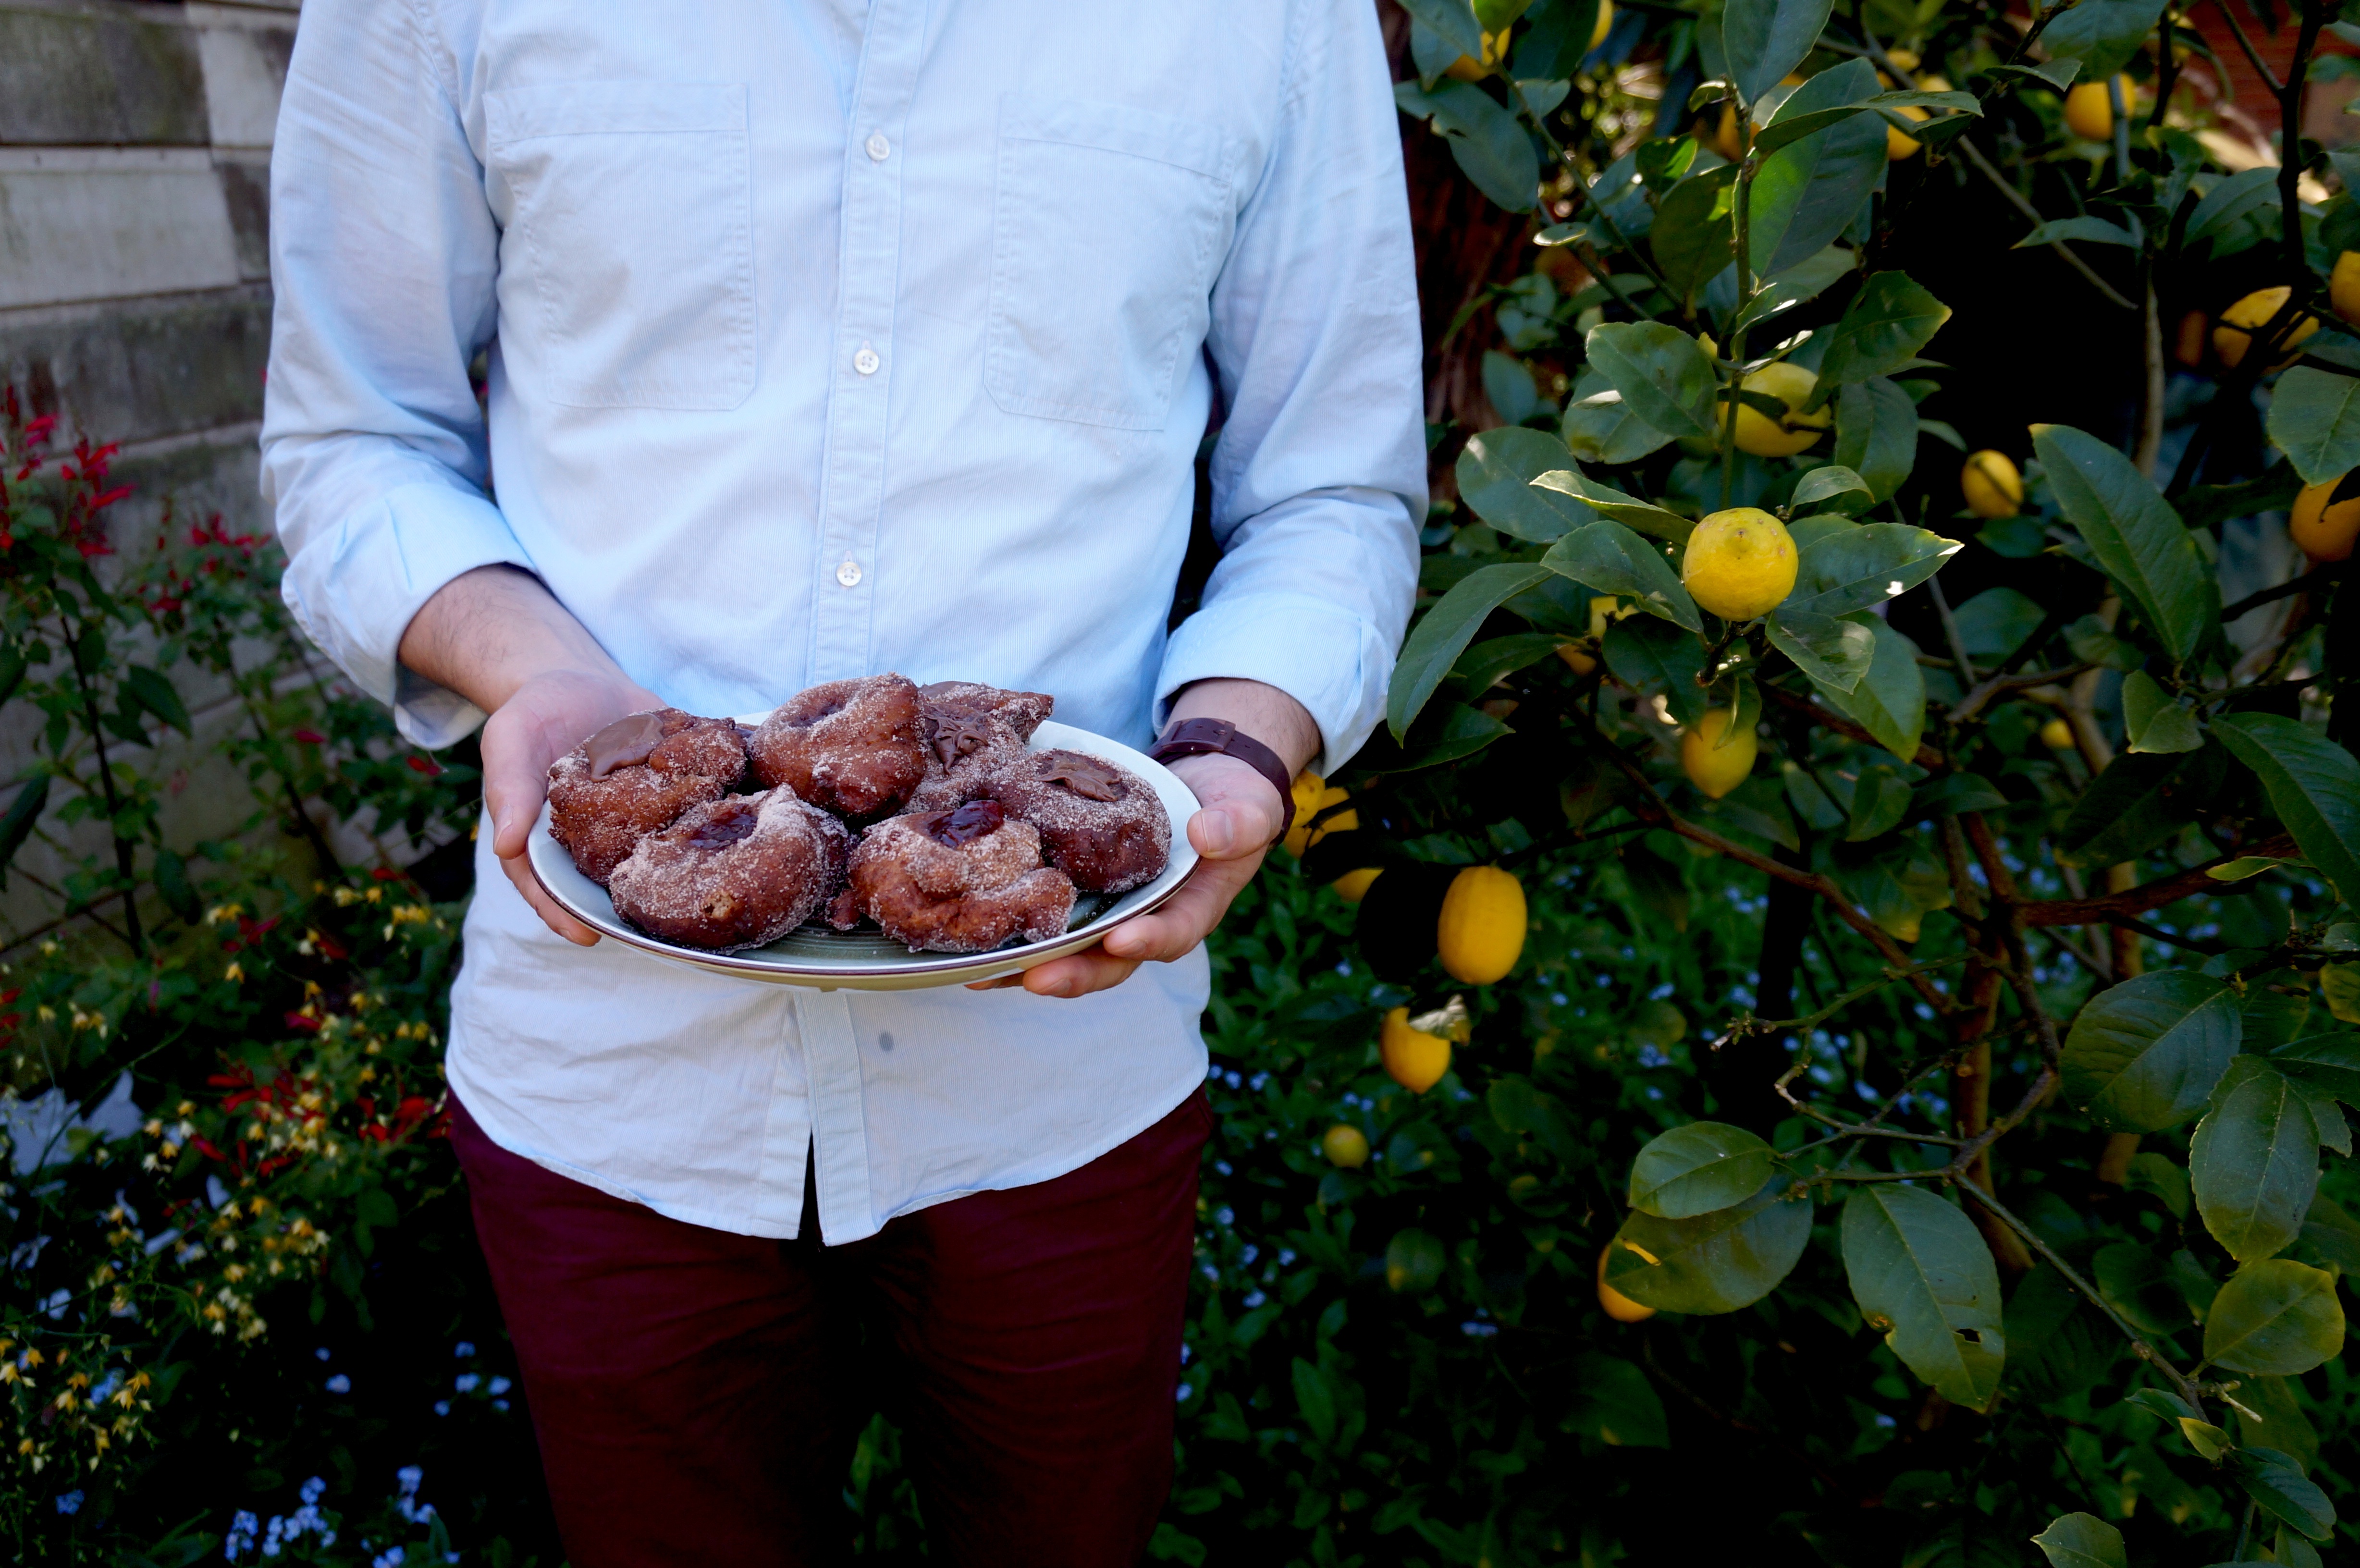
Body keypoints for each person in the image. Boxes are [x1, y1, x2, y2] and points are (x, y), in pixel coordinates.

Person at [259, 1, 1423, 1562]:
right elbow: (354, 435)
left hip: (1063, 1083)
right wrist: (532, 669)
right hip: (612, 1084)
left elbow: (1332, 487)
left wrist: (1231, 750)